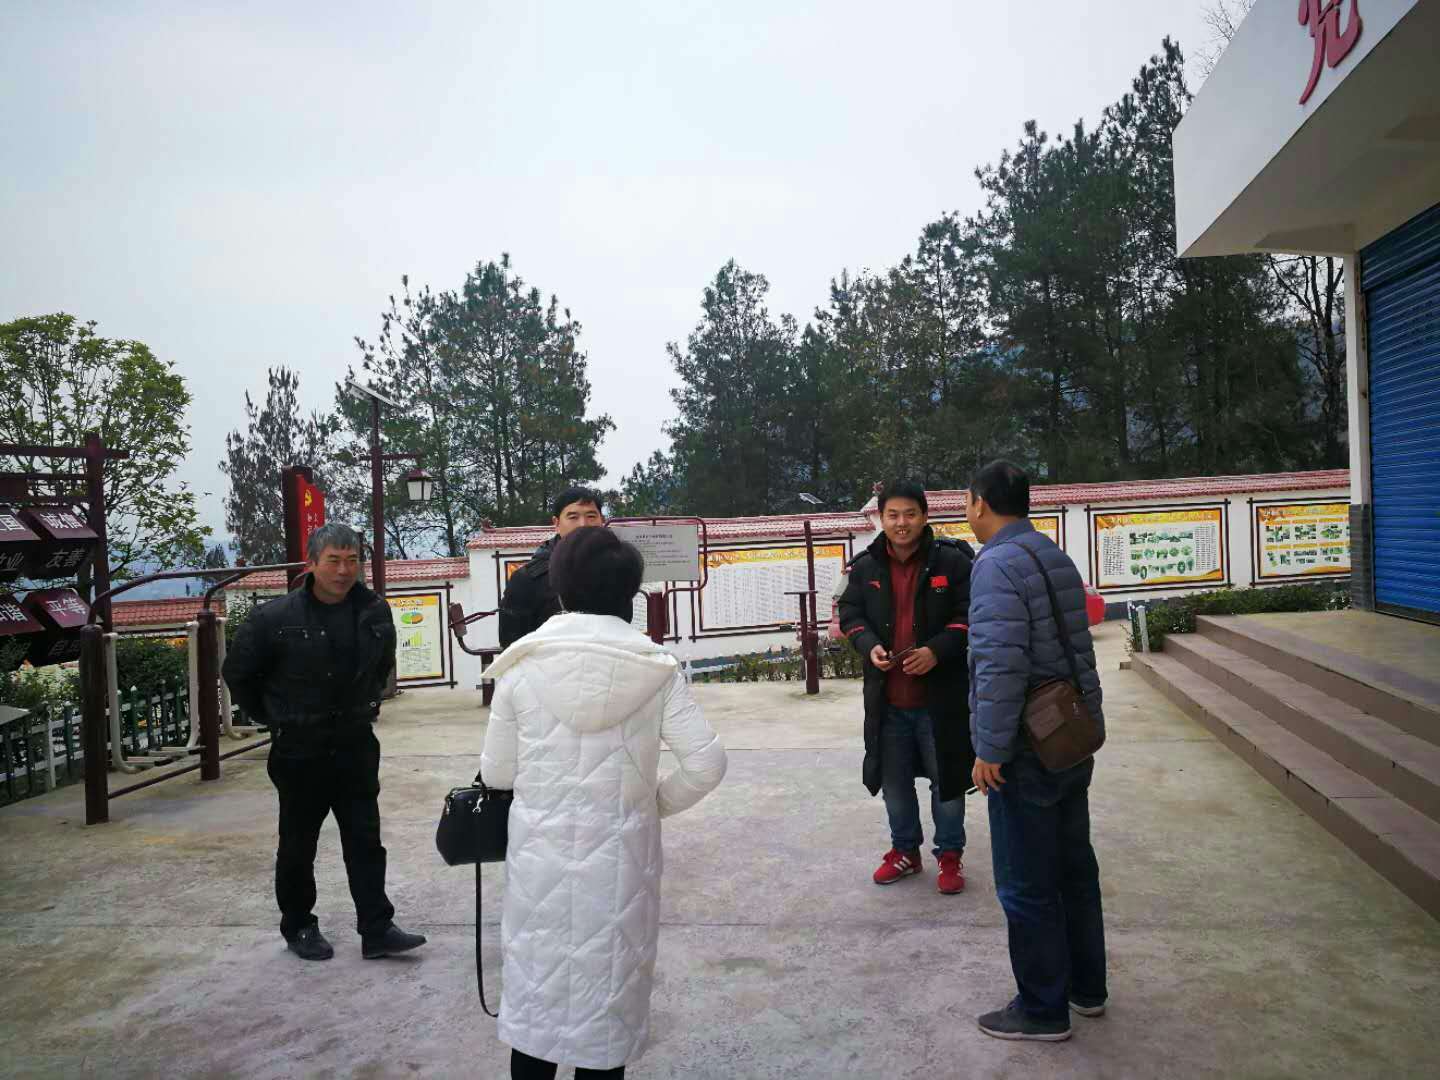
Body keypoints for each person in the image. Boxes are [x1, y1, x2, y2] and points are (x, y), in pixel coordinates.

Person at [480, 526, 727, 1080]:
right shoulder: (656, 669)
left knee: (539, 1003)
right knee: (607, 1009)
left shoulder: (521, 666)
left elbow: (497, 773)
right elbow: (707, 763)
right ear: (629, 592)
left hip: (540, 866)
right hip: (621, 867)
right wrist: (651, 805)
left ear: (561, 587)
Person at [223, 523, 427, 962]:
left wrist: (364, 703)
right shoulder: (274, 618)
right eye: (333, 560)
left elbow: (382, 665)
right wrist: (276, 717)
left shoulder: (374, 610)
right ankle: (299, 925)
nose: (343, 570)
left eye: (352, 560)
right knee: (298, 844)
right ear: (312, 563)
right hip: (300, 749)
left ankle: (377, 928)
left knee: (365, 839)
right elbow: (238, 674)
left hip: (355, 743)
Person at [965, 460, 1107, 1042]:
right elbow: (1080, 649)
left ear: (979, 503)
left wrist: (990, 749)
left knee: (1025, 882)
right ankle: (1086, 989)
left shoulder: (995, 564)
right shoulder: (1053, 554)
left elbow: (1000, 666)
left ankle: (1042, 1009)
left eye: (968, 502)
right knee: (1074, 869)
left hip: (1027, 747)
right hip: (1069, 736)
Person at [837, 480, 975, 894]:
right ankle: (905, 851)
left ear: (925, 516)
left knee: (946, 781)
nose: (902, 523)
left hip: (940, 699)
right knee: (894, 784)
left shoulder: (952, 561)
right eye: (893, 515)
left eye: (910, 514)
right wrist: (868, 645)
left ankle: (949, 855)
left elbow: (971, 614)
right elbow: (850, 613)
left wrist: (937, 651)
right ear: (881, 518)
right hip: (889, 700)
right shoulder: (866, 567)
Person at [497, 487, 606, 647]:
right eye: (573, 517)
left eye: (591, 516)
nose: (583, 524)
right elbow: (511, 643)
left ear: (602, 521)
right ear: (556, 523)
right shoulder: (527, 579)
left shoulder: (614, 569)